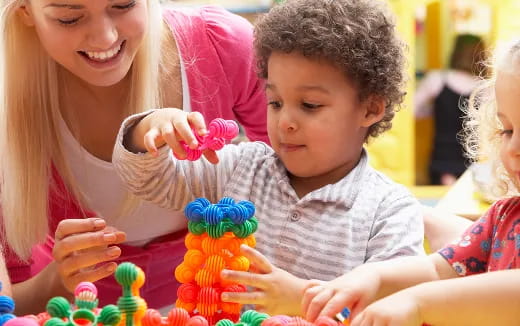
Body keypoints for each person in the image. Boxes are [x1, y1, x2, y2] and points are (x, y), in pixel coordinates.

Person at [112, 0, 424, 316]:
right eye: (275, 102)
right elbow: (149, 181)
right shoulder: (240, 168)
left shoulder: (389, 211)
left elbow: (397, 311)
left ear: (370, 109)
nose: (284, 121)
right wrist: (148, 129)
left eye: (310, 105)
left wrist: (303, 300)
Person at [0, 0, 268, 313]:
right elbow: (11, 306)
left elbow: (307, 174)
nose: (104, 38)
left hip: (223, 298)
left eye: (124, 5)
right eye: (69, 19)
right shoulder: (9, 97)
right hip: (78, 311)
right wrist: (56, 281)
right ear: (25, 12)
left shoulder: (220, 46)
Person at [302, 39, 520, 326]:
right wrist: (373, 277)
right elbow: (436, 269)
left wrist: (418, 303)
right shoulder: (503, 219)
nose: (513, 146)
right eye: (507, 130)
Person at [415, 34, 486, 185]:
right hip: (473, 160)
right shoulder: (485, 87)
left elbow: (412, 110)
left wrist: (435, 110)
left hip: (442, 159)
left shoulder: (437, 79)